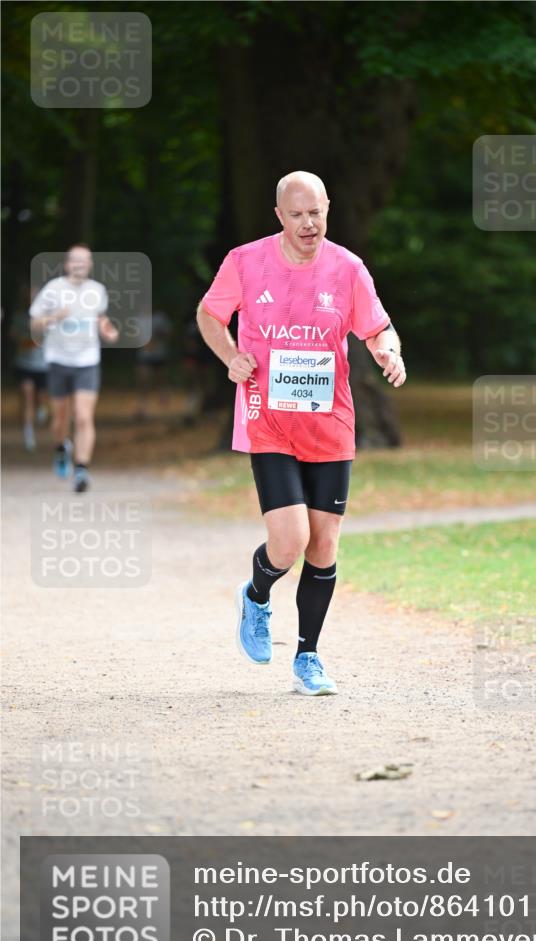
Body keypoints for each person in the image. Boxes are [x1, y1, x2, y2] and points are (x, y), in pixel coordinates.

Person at [196, 171, 406, 696]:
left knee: (325, 544)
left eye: (316, 212)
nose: (308, 223)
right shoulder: (245, 261)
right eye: (297, 214)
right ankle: (257, 594)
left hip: (329, 424)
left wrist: (388, 350)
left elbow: (378, 327)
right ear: (279, 217)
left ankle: (308, 658)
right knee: (290, 540)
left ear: (328, 208)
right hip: (268, 419)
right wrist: (231, 357)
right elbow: (209, 314)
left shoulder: (348, 268)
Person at [29, 244, 119, 492]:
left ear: (89, 265)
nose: (80, 265)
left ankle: (81, 470)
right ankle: (61, 448)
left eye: (85, 261)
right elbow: (35, 321)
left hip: (87, 360)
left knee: (83, 416)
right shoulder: (53, 289)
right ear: (68, 264)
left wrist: (107, 329)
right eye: (75, 261)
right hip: (58, 359)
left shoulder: (97, 290)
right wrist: (54, 318)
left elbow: (101, 317)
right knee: (60, 419)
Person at [11, 284, 49, 451]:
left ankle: (42, 409)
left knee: (40, 397)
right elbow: (13, 337)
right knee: (27, 394)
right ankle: (28, 434)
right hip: (24, 364)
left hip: (42, 366)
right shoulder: (19, 317)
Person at [135, 308, 172, 419]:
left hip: (159, 354)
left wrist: (158, 335)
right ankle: (142, 406)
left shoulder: (160, 318)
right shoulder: (139, 319)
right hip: (144, 355)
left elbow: (169, 332)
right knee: (143, 379)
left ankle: (163, 393)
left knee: (160, 378)